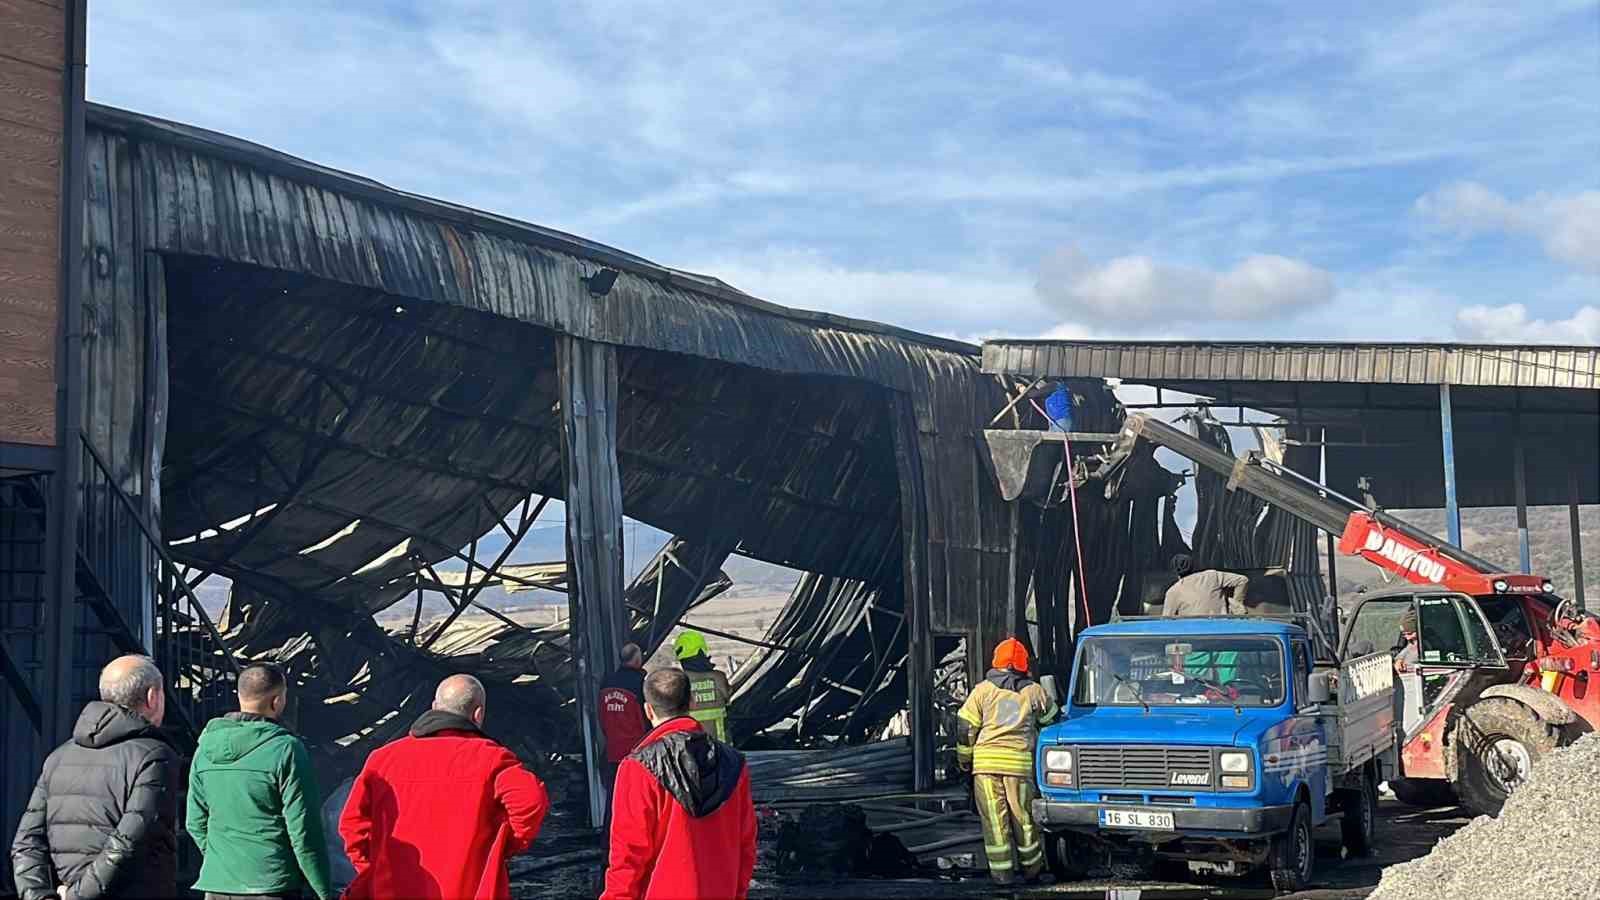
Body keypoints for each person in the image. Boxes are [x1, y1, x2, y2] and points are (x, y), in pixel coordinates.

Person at [338, 674, 549, 900]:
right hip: (468, 890)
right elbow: (531, 800)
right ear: (478, 714)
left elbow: (352, 826)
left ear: (434, 706)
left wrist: (375, 867)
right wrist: (501, 847)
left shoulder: (382, 759)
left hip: (392, 890)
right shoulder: (492, 759)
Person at [10, 655, 179, 900]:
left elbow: (26, 842)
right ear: (153, 697)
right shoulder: (154, 756)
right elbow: (130, 843)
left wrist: (38, 896)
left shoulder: (59, 756)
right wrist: (78, 897)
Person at [602, 669, 756, 900]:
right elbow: (747, 843)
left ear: (648, 710)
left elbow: (628, 854)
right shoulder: (734, 762)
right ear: (692, 703)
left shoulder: (637, 768)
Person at [188, 663, 335, 900]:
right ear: (277, 701)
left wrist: (224, 861)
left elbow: (195, 822)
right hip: (273, 884)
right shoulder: (287, 749)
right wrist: (324, 891)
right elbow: (304, 831)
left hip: (218, 886)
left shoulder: (204, 748)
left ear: (240, 696)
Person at [955, 638, 1058, 886]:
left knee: (994, 822)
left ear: (996, 662)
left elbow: (965, 727)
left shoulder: (982, 691)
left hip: (986, 769)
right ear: (1024, 664)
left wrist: (964, 760)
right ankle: (1033, 871)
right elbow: (1052, 723)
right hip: (1018, 769)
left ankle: (1002, 877)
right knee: (1023, 820)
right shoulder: (1034, 691)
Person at [599, 643, 652, 809]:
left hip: (612, 750)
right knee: (637, 799)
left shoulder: (606, 683)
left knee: (614, 799)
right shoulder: (639, 684)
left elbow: (601, 716)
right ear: (637, 660)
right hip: (636, 750)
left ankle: (609, 833)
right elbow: (646, 718)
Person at [672, 631, 732, 742]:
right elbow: (728, 700)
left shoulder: (677, 682)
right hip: (721, 747)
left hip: (691, 748)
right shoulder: (718, 678)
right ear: (701, 651)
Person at [1162, 554, 1251, 617]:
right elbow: (1243, 580)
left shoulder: (1173, 591)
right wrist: (1236, 605)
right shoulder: (1211, 576)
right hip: (1223, 629)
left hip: (1193, 637)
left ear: (1174, 572)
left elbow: (1166, 621)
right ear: (1193, 566)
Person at [1393, 607, 1420, 674]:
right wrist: (1399, 661)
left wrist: (1408, 667)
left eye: (1410, 634)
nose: (1408, 638)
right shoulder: (1412, 643)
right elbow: (1402, 655)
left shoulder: (1425, 645)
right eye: (1404, 635)